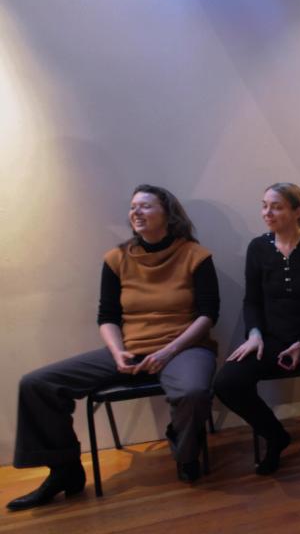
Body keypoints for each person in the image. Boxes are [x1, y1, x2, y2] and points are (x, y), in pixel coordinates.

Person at [8, 185, 219, 511]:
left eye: (146, 206)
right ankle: (65, 471)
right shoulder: (116, 258)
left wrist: (167, 351)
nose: (136, 212)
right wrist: (117, 351)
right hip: (131, 347)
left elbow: (208, 315)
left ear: (168, 213)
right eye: (133, 207)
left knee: (192, 391)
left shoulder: (195, 255)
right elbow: (107, 317)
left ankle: (185, 449)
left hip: (184, 347)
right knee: (38, 384)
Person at [214, 183, 300, 475]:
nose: (267, 212)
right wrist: (254, 334)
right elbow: (251, 301)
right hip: (273, 339)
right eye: (264, 205)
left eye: (276, 206)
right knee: (227, 383)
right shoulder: (258, 248)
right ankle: (276, 437)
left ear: (297, 211)